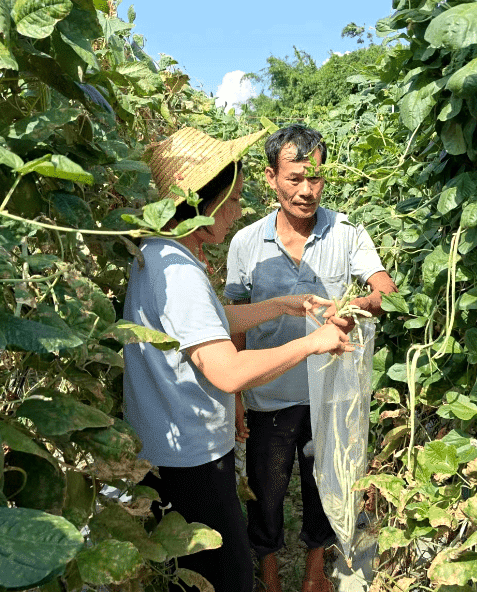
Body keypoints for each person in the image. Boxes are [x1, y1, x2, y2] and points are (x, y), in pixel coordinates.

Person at [122, 127, 354, 592]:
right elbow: (226, 372)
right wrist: (311, 343)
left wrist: (282, 305)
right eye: (231, 200)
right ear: (202, 205)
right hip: (192, 461)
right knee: (225, 578)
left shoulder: (160, 254)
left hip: (168, 448)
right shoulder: (179, 272)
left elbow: (204, 322)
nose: (238, 211)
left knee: (189, 573)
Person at [225, 124, 397, 592]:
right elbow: (237, 320)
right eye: (295, 178)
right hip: (269, 395)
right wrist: (237, 396)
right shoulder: (245, 244)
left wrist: (355, 305)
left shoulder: (346, 232)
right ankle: (270, 572)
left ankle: (316, 570)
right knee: (266, 491)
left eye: (315, 178)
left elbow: (384, 289)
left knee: (325, 486)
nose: (306, 190)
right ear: (271, 178)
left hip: (332, 396)